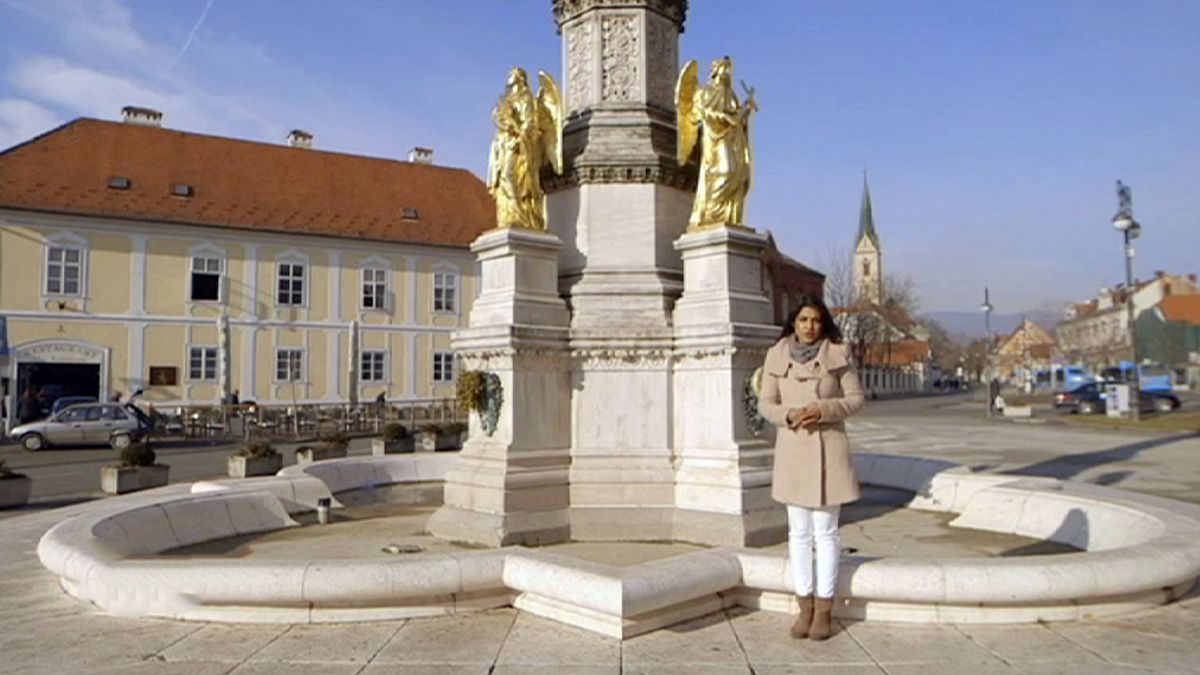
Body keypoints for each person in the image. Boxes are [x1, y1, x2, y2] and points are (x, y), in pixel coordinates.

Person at [758, 294, 865, 641]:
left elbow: (856, 399)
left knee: (826, 532)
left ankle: (824, 609)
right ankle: (804, 605)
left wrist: (823, 409)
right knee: (799, 534)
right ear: (794, 322)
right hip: (793, 451)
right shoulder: (776, 355)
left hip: (828, 449)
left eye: (816, 320)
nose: (809, 326)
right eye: (803, 319)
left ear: (824, 323)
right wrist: (788, 415)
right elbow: (765, 404)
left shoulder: (838, 355)